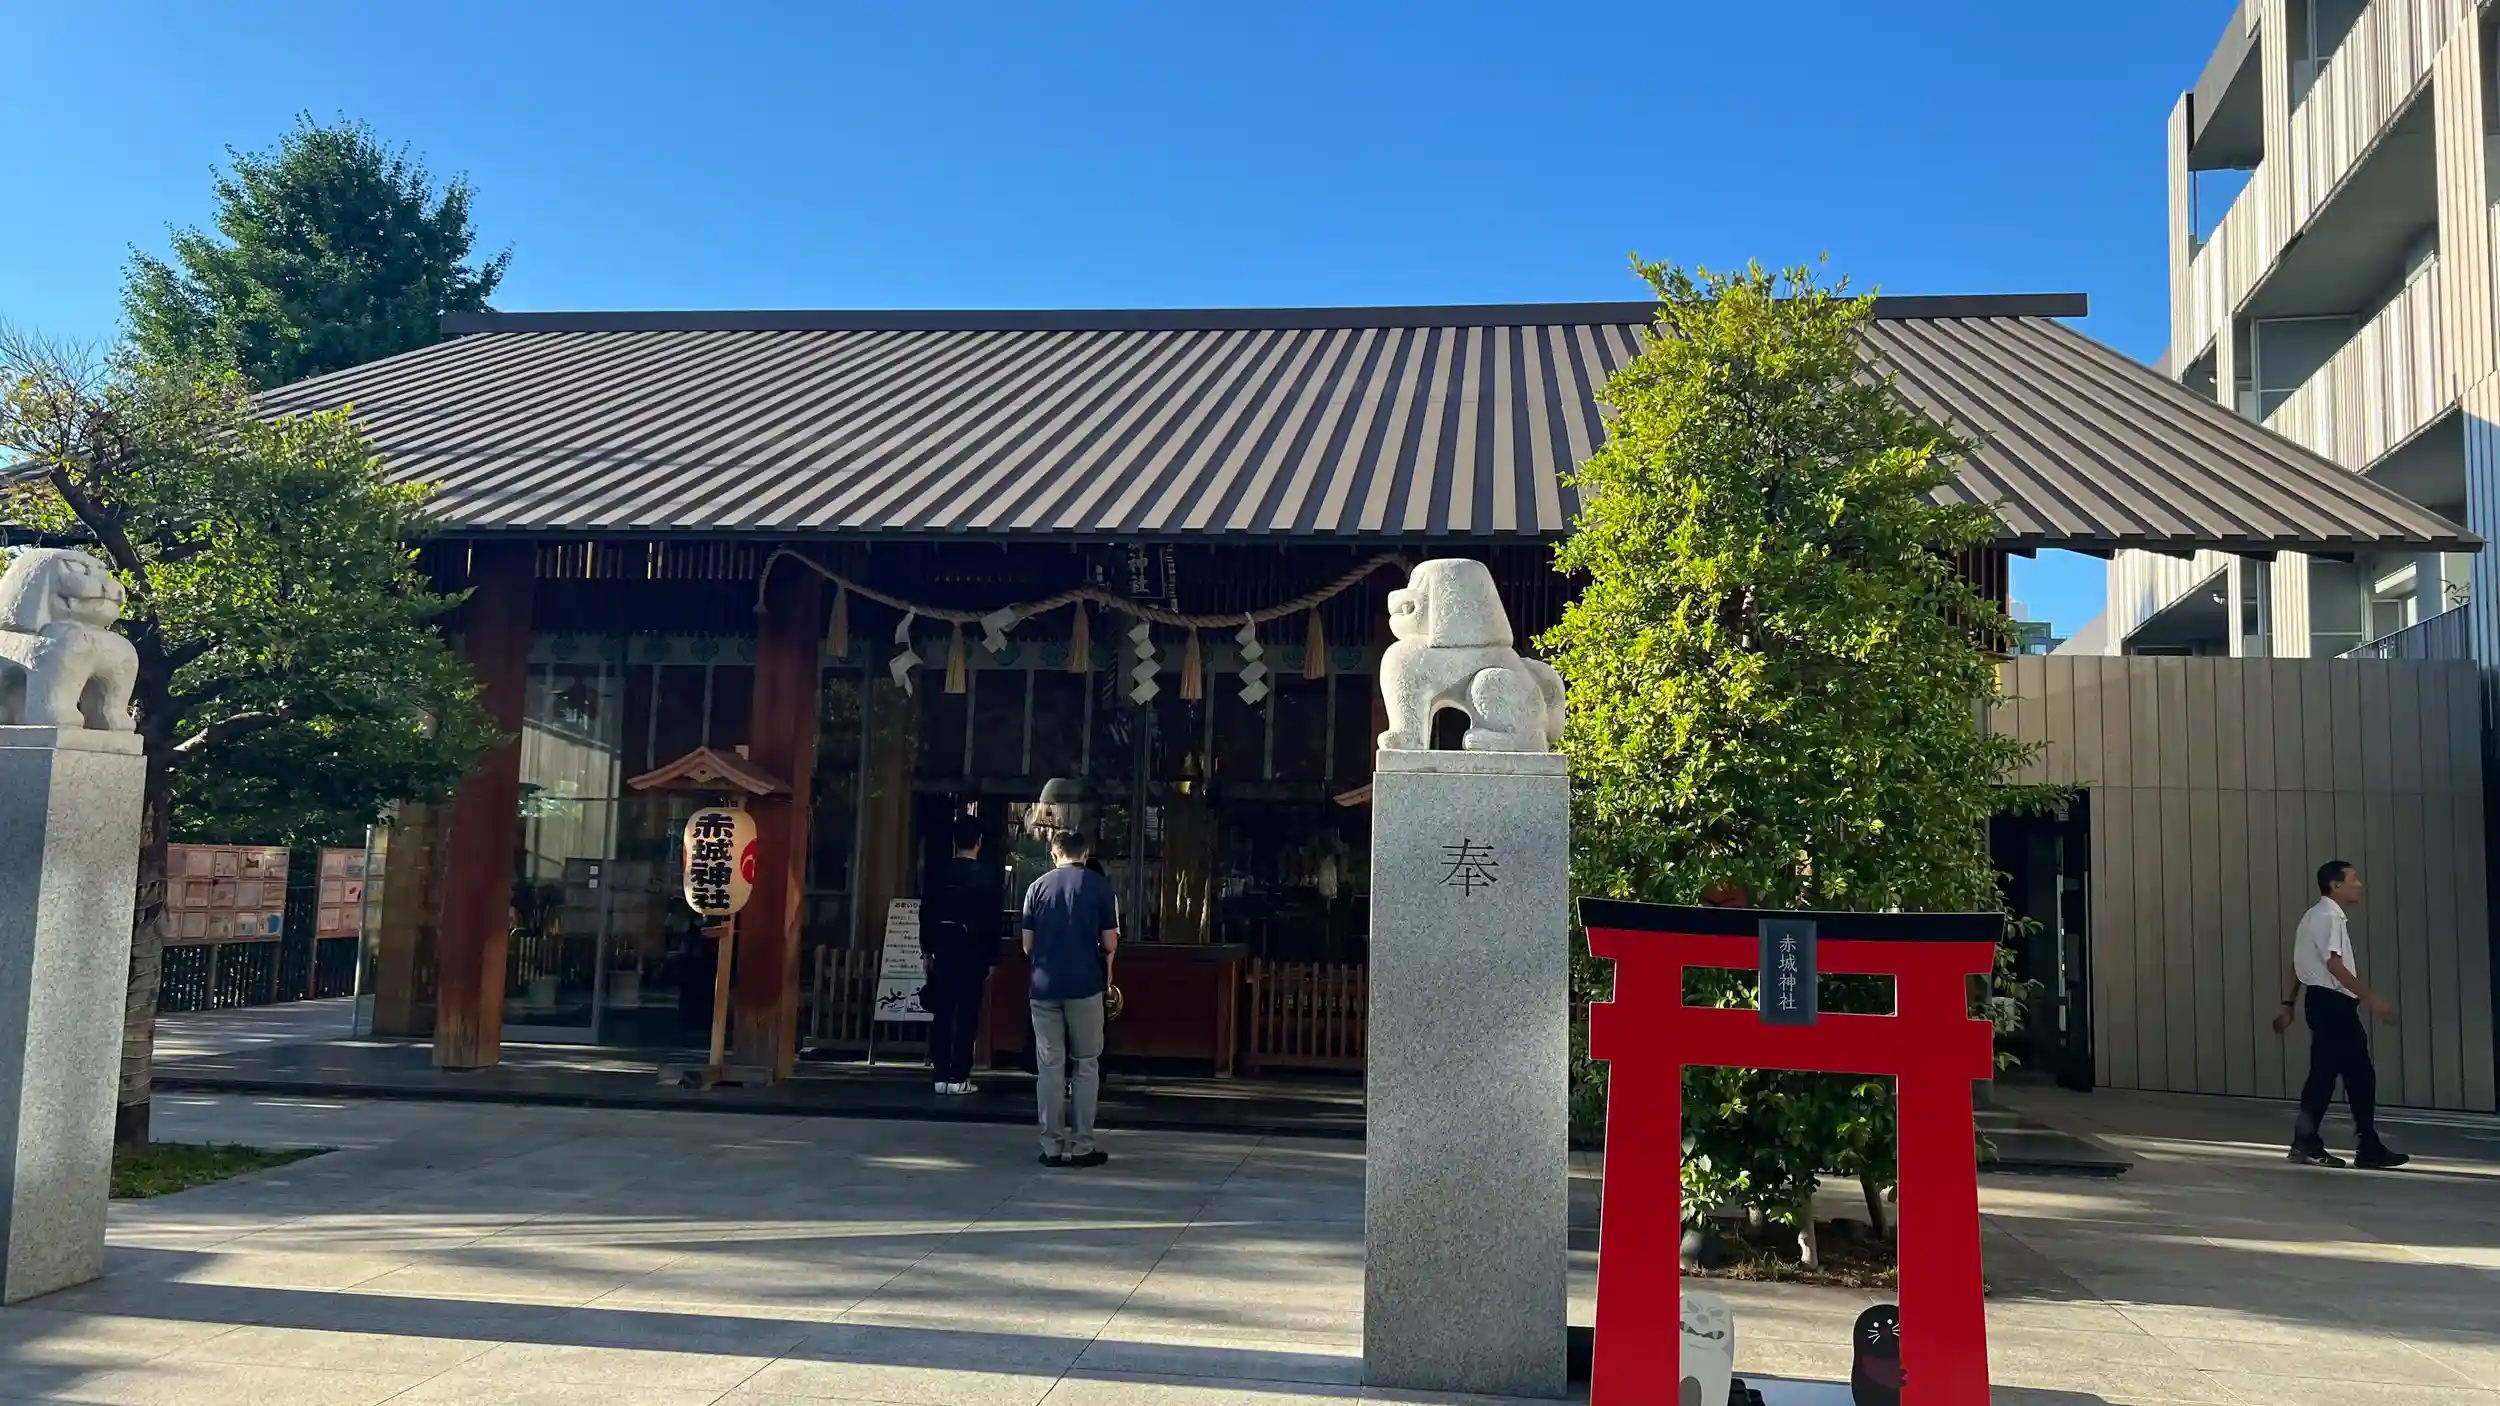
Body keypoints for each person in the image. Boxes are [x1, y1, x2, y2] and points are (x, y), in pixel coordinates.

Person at [2272, 860, 2408, 1170]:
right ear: (2335, 885)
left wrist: (2288, 1004)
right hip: (2332, 1004)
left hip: (2324, 1003)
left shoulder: (2312, 916)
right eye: (2353, 879)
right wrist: (2372, 999)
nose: (2359, 884)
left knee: (2358, 1075)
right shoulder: (2329, 917)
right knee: (2326, 1076)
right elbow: (2333, 965)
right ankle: (2307, 1142)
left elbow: (2297, 964)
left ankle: (2367, 1146)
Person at [1020, 828, 1119, 1168]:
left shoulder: (1036, 888)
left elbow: (1027, 945)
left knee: (1049, 1066)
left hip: (1044, 986)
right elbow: (1109, 942)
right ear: (1085, 854)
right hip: (1085, 984)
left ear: (1054, 854)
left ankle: (1050, 1146)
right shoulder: (1099, 887)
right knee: (1086, 1063)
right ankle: (1082, 1146)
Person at [919, 816, 1002, 1095]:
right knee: (967, 1015)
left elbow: (925, 914)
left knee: (942, 1013)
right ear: (979, 842)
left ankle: (940, 1075)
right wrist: (992, 958)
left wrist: (927, 949)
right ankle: (959, 1076)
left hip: (942, 951)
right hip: (973, 954)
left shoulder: (938, 874)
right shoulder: (987, 877)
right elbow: (993, 922)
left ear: (955, 843)